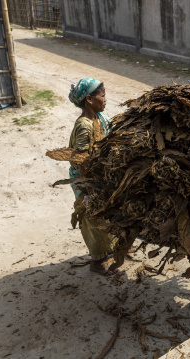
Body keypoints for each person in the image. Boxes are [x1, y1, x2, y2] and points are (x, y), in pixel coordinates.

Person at [68, 78, 117, 275]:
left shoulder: (101, 117)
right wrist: (89, 189)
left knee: (108, 213)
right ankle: (97, 261)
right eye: (102, 95)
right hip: (86, 180)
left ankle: (110, 250)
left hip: (101, 176)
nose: (105, 99)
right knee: (93, 218)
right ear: (89, 99)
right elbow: (81, 159)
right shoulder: (85, 126)